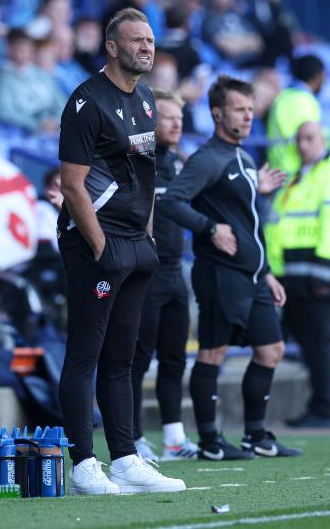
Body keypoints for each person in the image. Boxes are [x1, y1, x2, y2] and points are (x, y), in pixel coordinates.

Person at [56, 8, 184, 495]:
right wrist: (101, 246)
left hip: (135, 243)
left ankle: (126, 458)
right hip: (96, 243)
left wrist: (145, 236)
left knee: (122, 359)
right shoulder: (86, 101)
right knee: (85, 355)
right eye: (136, 40)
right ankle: (83, 464)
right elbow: (72, 185)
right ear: (112, 47)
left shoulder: (148, 98)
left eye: (150, 40)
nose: (146, 48)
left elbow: (144, 178)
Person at [160, 75, 301, 461]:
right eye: (239, 109)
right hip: (220, 273)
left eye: (251, 109)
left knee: (271, 350)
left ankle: (256, 436)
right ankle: (210, 442)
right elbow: (171, 201)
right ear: (217, 113)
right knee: (212, 353)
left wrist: (266, 270)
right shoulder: (207, 158)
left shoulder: (245, 157)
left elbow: (247, 220)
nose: (248, 116)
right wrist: (210, 228)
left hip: (252, 275)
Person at [267, 121, 330, 429]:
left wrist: (323, 275)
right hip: (297, 277)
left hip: (322, 278)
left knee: (317, 344)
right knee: (311, 345)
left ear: (325, 139)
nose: (303, 145)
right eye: (299, 139)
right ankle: (321, 405)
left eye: (310, 138)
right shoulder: (301, 176)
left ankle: (326, 408)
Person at [130, 89, 199, 463]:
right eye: (168, 116)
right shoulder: (137, 159)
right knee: (137, 360)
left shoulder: (179, 163)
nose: (176, 124)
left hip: (174, 270)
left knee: (174, 358)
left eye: (180, 118)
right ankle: (133, 440)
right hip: (146, 272)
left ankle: (174, 438)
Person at [267, 55, 326, 180]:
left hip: (277, 171)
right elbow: (312, 138)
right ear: (317, 76)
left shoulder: (282, 97)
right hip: (296, 174)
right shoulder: (305, 100)